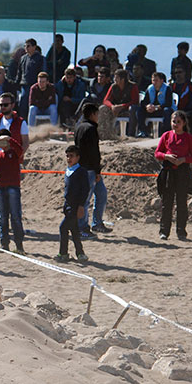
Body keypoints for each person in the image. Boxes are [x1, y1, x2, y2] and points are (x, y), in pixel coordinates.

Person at [155, 111, 192, 240]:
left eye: (178, 122)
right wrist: (166, 156)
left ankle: (181, 231)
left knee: (181, 203)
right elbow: (157, 153)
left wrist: (183, 159)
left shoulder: (189, 138)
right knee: (167, 203)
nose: (176, 124)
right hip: (168, 172)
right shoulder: (166, 136)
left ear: (184, 123)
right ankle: (164, 231)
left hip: (182, 173)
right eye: (174, 121)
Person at [74, 103, 111, 239]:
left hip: (84, 168)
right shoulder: (90, 129)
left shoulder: (79, 127)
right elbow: (94, 152)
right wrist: (97, 171)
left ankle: (97, 223)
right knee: (86, 200)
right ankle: (82, 227)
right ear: (93, 114)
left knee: (101, 194)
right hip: (89, 169)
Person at [0, 129, 24, 253]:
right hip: (0, 188)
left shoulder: (14, 153)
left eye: (5, 140)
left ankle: (19, 245)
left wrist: (9, 140)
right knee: (3, 218)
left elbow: (20, 151)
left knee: (15, 217)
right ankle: (4, 244)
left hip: (13, 187)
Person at [55, 145, 90, 262]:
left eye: (72, 156)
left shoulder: (81, 171)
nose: (69, 158)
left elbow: (85, 190)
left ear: (78, 157)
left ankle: (63, 253)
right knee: (74, 230)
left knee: (63, 227)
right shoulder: (68, 171)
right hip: (68, 206)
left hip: (76, 206)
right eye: (67, 156)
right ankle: (80, 254)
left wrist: (81, 206)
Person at [103, 69, 139, 136]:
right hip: (115, 109)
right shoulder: (113, 86)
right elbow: (106, 100)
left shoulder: (132, 86)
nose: (114, 79)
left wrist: (122, 106)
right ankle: (105, 133)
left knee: (133, 108)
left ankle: (131, 133)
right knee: (103, 108)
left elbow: (135, 101)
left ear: (122, 79)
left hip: (127, 109)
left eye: (116, 78)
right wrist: (112, 106)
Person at [138, 72, 176, 137]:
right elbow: (144, 102)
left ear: (161, 81)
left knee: (167, 111)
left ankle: (165, 132)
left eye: (156, 80)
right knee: (140, 110)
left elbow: (168, 103)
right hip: (152, 110)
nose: (154, 82)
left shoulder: (167, 88)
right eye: (153, 80)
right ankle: (143, 131)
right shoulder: (150, 88)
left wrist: (156, 107)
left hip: (162, 110)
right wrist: (147, 106)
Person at [16, 38, 45, 112]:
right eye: (25, 46)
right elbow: (19, 72)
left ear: (34, 47)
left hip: (35, 85)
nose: (26, 48)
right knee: (23, 104)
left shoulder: (40, 58)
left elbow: (43, 72)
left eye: (28, 46)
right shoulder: (23, 58)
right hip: (24, 85)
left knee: (32, 105)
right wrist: (16, 84)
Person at [171, 67, 192, 135]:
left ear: (184, 73)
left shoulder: (190, 85)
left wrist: (183, 111)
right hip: (175, 110)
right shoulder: (172, 86)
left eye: (180, 72)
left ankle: (191, 136)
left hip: (188, 110)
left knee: (190, 115)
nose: (178, 75)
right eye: (176, 73)